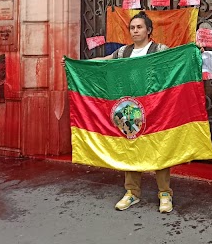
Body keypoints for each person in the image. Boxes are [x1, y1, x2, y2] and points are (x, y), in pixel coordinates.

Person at [65, 12, 173, 213]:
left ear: (149, 30)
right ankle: (132, 193)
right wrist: (79, 65)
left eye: (139, 27)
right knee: (131, 148)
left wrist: (195, 52)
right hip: (131, 109)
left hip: (155, 107)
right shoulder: (124, 52)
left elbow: (175, 62)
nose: (135, 31)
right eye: (132, 28)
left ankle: (165, 194)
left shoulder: (159, 50)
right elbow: (106, 61)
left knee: (160, 148)